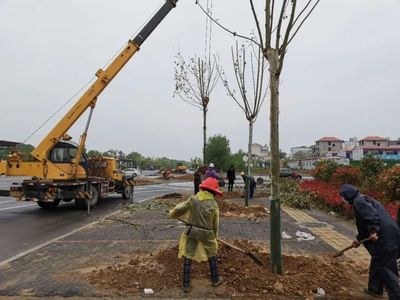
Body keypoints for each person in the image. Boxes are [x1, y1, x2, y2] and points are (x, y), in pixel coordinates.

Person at [339, 184, 400, 299]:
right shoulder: (361, 199)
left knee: (386, 269)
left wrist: (373, 230)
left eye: (342, 197)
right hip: (387, 237)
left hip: (385, 239)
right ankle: (375, 289)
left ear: (347, 196)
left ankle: (396, 296)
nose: (342, 200)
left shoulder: (360, 201)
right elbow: (364, 225)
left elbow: (371, 217)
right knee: (377, 263)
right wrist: (358, 240)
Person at [168, 177, 223, 293]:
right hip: (207, 233)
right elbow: (215, 222)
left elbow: (181, 208)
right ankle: (215, 280)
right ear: (213, 192)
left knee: (188, 255)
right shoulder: (214, 204)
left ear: (203, 188)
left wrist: (172, 213)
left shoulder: (193, 199)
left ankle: (186, 285)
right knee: (212, 254)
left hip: (192, 231)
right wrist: (215, 236)